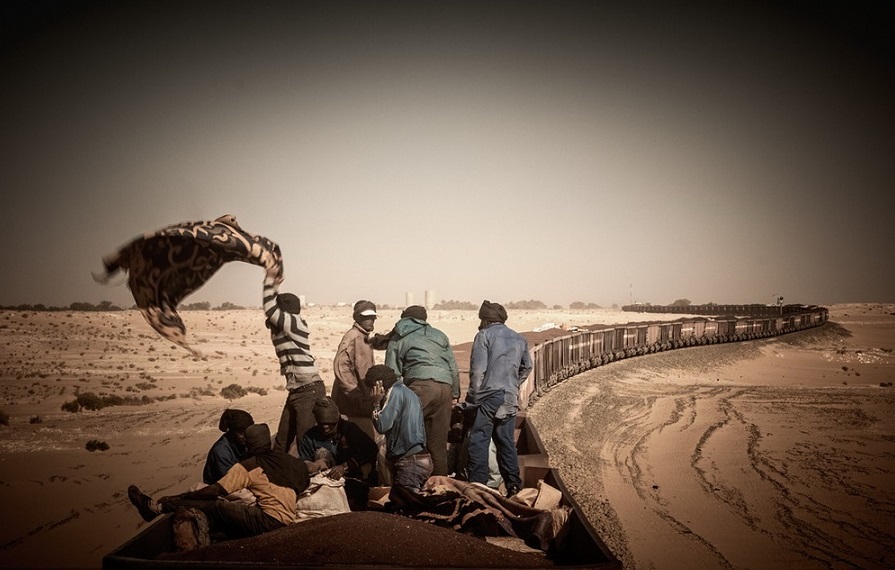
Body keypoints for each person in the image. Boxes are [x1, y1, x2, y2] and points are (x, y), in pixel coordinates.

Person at [127, 423, 310, 539]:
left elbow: (215, 490)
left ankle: (157, 508)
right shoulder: (288, 461)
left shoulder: (248, 466)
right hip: (286, 517)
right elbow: (304, 478)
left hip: (268, 521)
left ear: (248, 443)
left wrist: (183, 495)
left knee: (217, 506)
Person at [464, 300, 532, 498]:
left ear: (486, 320)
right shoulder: (519, 338)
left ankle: (478, 486)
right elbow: (527, 367)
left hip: (488, 397)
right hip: (509, 397)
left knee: (479, 441)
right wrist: (513, 384)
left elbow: (478, 372)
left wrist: (474, 398)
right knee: (506, 443)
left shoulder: (483, 336)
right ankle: (513, 486)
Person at [383, 305, 460, 476]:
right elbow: (453, 368)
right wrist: (454, 394)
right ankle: (440, 488)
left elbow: (391, 373)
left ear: (404, 318)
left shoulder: (399, 336)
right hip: (445, 388)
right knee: (438, 446)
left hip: (421, 388)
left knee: (402, 436)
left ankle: (402, 485)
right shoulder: (439, 335)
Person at [263, 266, 325, 455]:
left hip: (308, 389)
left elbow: (269, 309)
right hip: (297, 390)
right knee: (282, 442)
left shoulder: (294, 323)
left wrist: (270, 284)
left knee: (304, 443)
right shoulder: (282, 329)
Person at [331, 300, 390, 483]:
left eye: (373, 317)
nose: (371, 321)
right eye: (366, 317)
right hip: (353, 404)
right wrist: (356, 394)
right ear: (357, 317)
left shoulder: (363, 336)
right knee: (364, 444)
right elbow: (341, 367)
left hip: (360, 400)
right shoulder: (354, 337)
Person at [364, 364, 432, 500]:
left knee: (403, 508)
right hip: (418, 459)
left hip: (410, 463)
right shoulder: (408, 392)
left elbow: (382, 426)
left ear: (378, 385)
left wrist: (376, 403)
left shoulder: (395, 393)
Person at [298, 396, 378, 509]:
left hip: (354, 481)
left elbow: (371, 449)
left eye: (330, 424)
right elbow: (304, 462)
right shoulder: (310, 437)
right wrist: (314, 466)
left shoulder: (349, 430)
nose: (325, 427)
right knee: (321, 453)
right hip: (326, 485)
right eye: (322, 424)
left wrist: (345, 467)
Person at [202, 409, 254, 485]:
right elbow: (231, 482)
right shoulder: (221, 452)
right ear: (232, 432)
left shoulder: (242, 443)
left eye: (247, 432)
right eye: (241, 433)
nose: (245, 436)